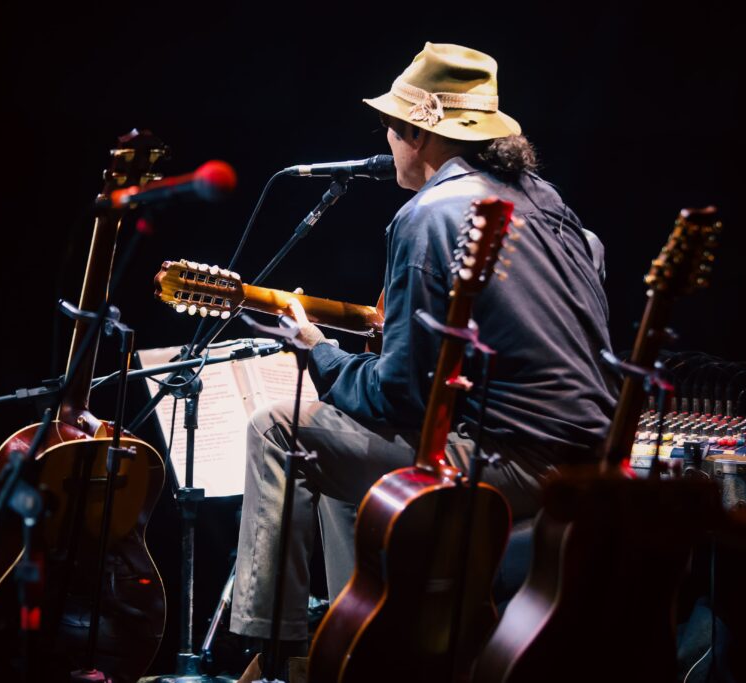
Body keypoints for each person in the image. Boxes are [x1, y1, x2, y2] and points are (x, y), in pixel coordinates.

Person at [229, 42, 617, 680]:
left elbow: (399, 397)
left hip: (509, 463)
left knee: (280, 428)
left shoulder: (428, 214)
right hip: (589, 468)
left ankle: (278, 659)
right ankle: (355, 640)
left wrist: (317, 351)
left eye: (392, 123)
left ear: (420, 132)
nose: (385, 137)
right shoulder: (551, 204)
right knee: (339, 452)